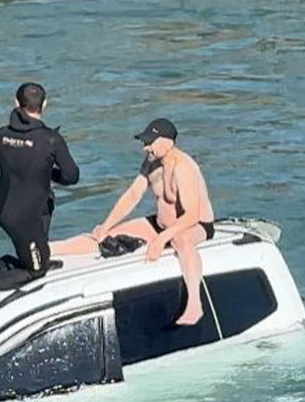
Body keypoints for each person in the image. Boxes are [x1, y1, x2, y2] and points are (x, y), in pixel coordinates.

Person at [52, 118, 216, 325]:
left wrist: (161, 239)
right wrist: (106, 225)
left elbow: (191, 214)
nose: (145, 147)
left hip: (195, 225)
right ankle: (50, 250)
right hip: (161, 225)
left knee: (181, 240)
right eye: (144, 142)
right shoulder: (151, 163)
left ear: (167, 142)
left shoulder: (184, 168)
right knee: (106, 236)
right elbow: (132, 196)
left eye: (150, 142)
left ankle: (194, 304)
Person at [0, 82, 79, 283]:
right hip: (27, 217)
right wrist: (49, 173)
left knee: (38, 249)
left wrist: (40, 170)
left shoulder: (1, 136)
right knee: (37, 272)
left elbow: (19, 164)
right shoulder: (51, 140)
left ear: (16, 103)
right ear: (44, 104)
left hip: (2, 208)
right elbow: (71, 176)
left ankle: (38, 257)